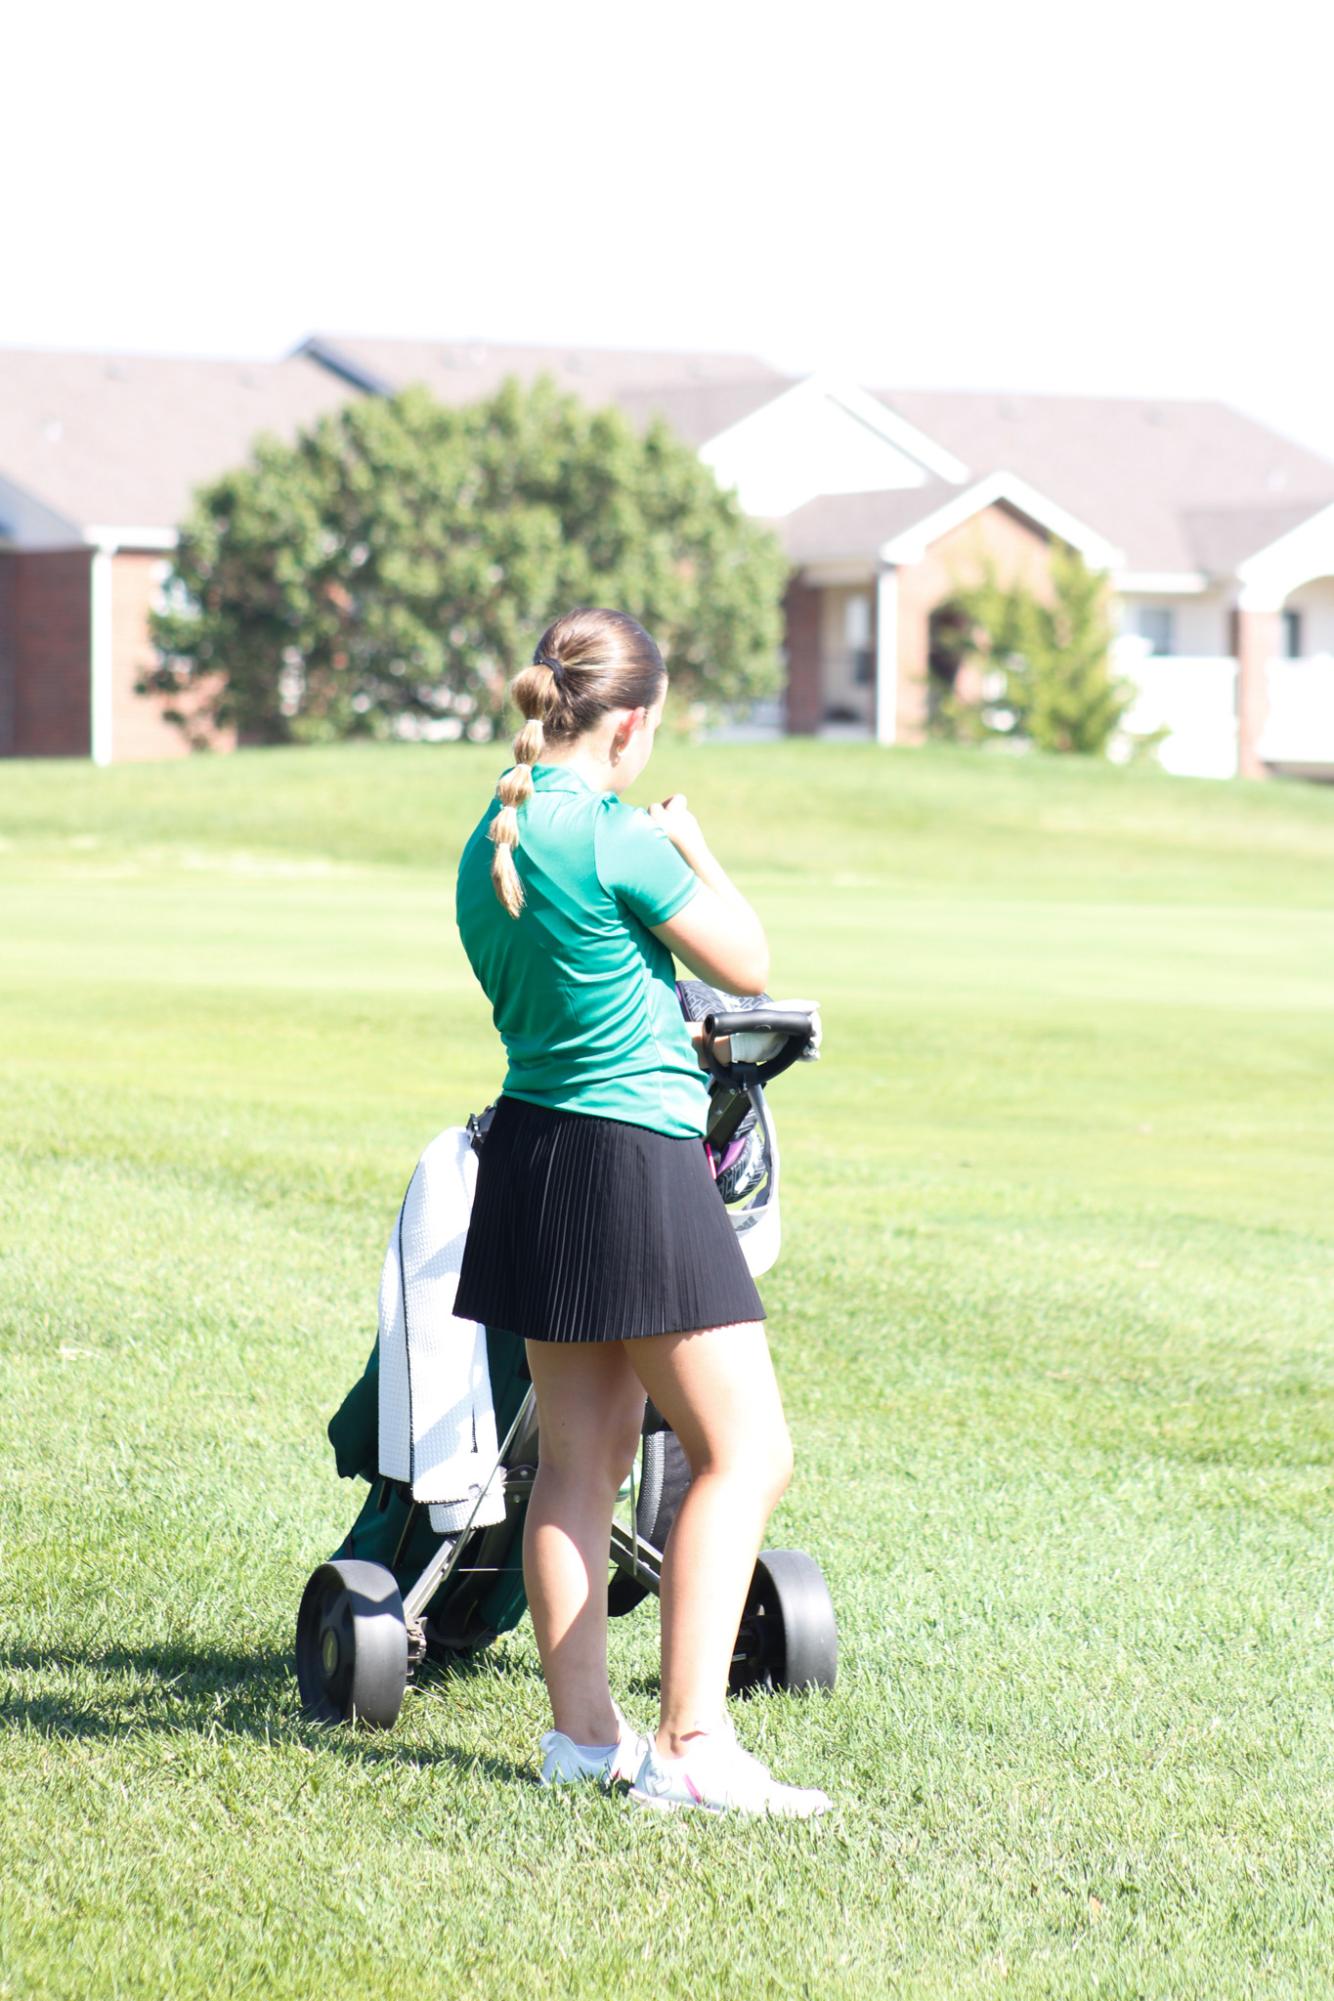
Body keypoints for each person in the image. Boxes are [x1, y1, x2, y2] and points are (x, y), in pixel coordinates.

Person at [452, 606, 830, 1818]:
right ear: (630, 723)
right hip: (630, 1161)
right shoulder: (613, 836)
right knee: (746, 1453)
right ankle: (688, 1745)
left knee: (575, 1464)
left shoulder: (494, 833)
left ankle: (581, 1742)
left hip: (531, 1157)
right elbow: (749, 961)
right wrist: (698, 849)